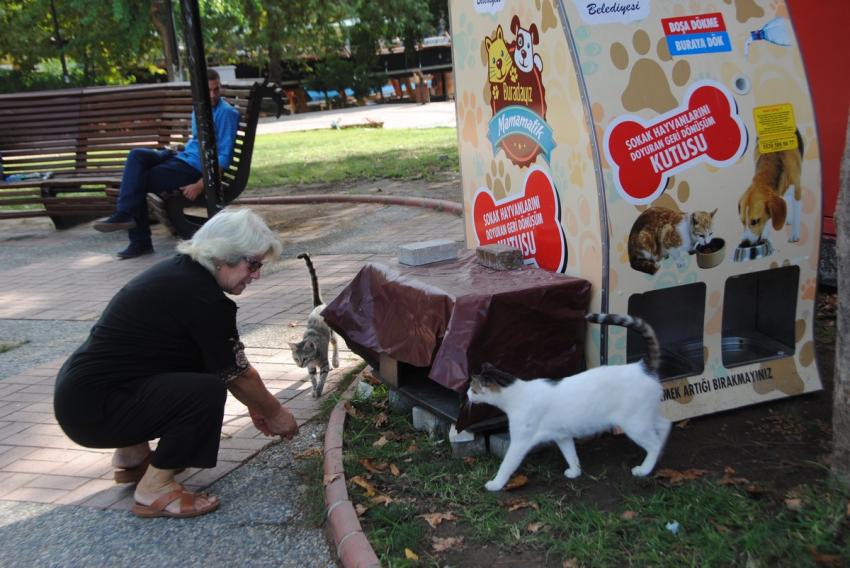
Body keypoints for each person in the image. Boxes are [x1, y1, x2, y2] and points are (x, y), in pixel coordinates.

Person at [54, 208, 298, 519]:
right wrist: (275, 412)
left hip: (81, 398)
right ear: (222, 257)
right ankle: (154, 489)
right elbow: (237, 375)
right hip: (94, 410)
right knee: (205, 391)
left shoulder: (182, 274)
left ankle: (133, 459)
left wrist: (257, 403)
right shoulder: (203, 297)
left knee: (192, 368)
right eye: (253, 265)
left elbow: (218, 361)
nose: (257, 275)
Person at [93, 69, 240, 259]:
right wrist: (177, 149)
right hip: (180, 156)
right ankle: (126, 216)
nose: (213, 95)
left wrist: (200, 184)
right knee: (136, 155)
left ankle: (137, 236)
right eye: (208, 91)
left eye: (216, 90)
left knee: (139, 179)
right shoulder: (199, 108)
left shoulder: (227, 114)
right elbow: (196, 141)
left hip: (192, 168)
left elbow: (224, 157)